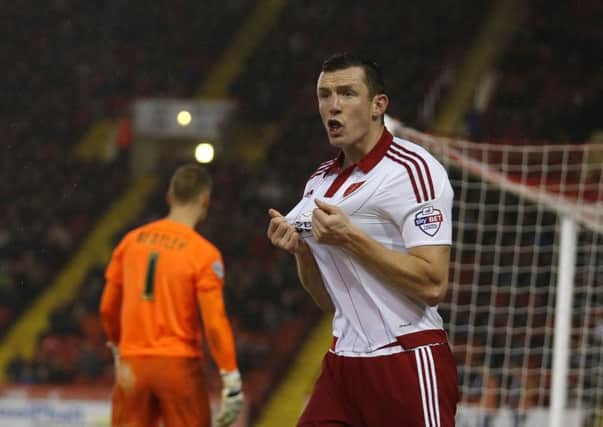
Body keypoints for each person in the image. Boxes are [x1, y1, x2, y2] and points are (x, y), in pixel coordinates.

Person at [267, 52, 458, 426]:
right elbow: (326, 300)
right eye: (325, 95)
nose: (332, 106)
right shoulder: (319, 181)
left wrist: (351, 239)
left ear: (377, 105)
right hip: (343, 362)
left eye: (347, 93)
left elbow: (433, 284)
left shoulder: (413, 171)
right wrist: (302, 252)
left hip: (405, 358)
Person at [100, 164, 243, 427]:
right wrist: (230, 377)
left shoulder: (130, 242)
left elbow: (107, 308)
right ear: (205, 200)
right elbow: (214, 322)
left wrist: (118, 350)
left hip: (134, 364)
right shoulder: (203, 253)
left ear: (169, 197)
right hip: (178, 366)